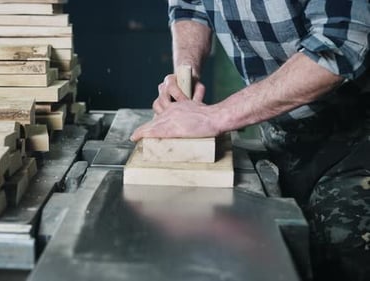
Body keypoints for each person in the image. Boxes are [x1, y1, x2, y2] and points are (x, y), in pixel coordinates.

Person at [130, 0, 370, 280]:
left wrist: (216, 116)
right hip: (281, 129)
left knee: (346, 259)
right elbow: (189, 6)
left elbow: (343, 43)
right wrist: (185, 75)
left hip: (359, 130)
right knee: (290, 253)